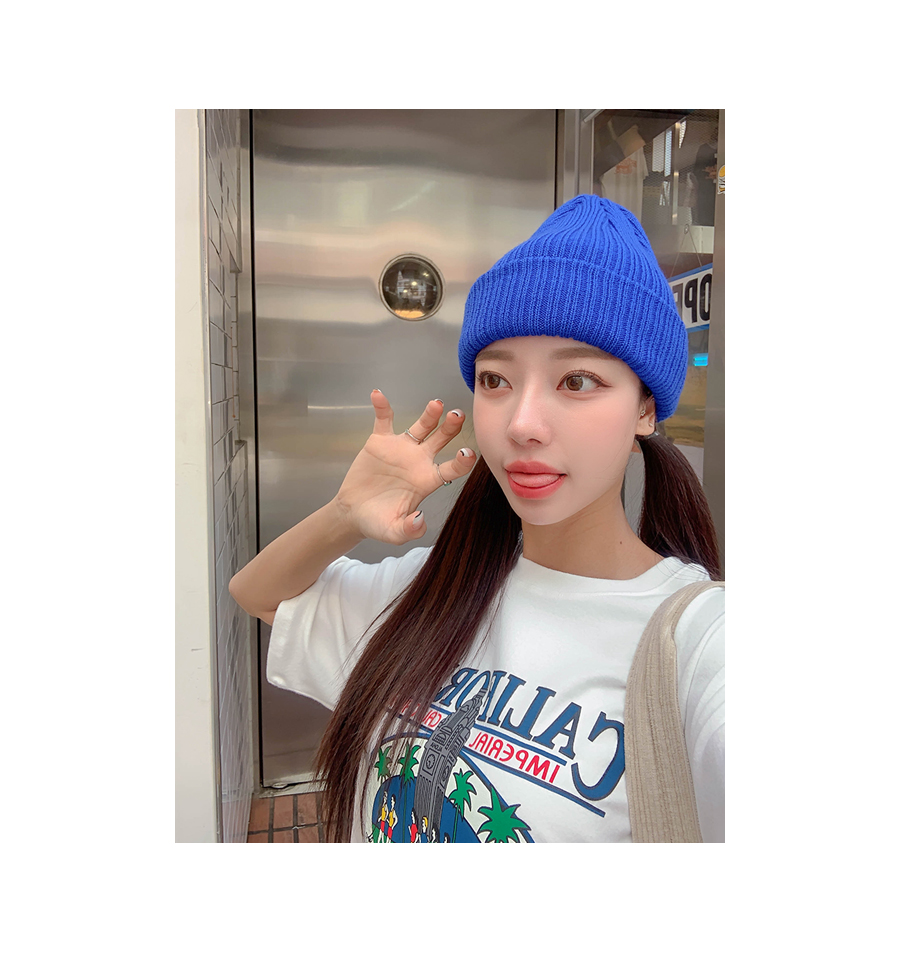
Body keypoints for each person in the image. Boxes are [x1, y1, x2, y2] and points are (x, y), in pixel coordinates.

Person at [229, 194, 724, 843]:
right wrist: (344, 515)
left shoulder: (696, 645)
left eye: (576, 381)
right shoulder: (432, 589)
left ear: (645, 410)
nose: (522, 423)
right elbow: (257, 594)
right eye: (495, 380)